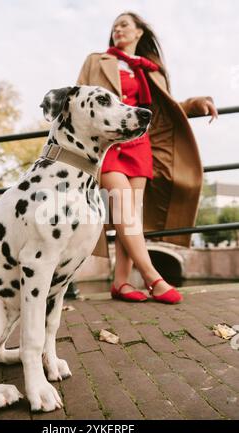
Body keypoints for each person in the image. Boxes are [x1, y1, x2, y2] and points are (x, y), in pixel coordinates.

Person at [76, 11, 218, 304]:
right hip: (109, 143)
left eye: (124, 25)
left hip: (140, 145)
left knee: (131, 215)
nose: (118, 30)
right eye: (114, 26)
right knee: (123, 202)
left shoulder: (151, 70)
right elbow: (79, 97)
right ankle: (153, 277)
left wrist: (196, 103)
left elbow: (166, 108)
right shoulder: (97, 61)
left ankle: (122, 283)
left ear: (139, 32)